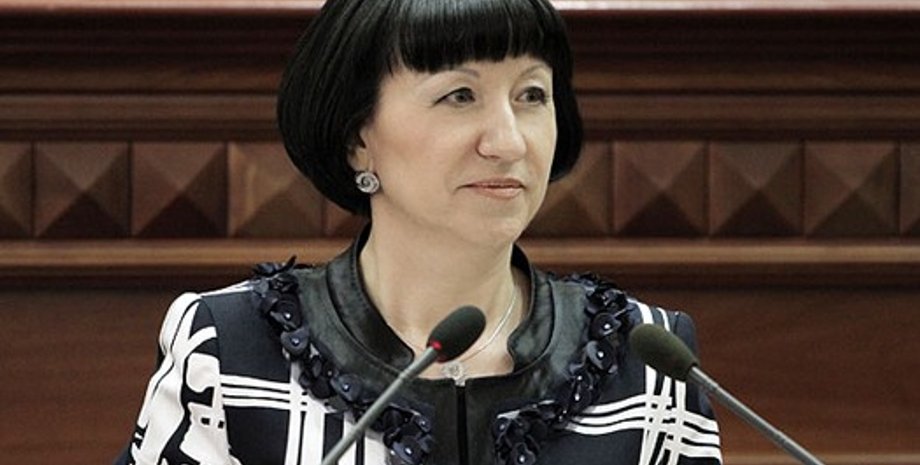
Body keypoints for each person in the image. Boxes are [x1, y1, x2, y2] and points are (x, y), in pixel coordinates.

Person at [115, 0, 722, 464]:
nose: (509, 141)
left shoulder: (649, 365)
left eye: (532, 95)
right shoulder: (231, 350)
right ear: (358, 138)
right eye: (460, 95)